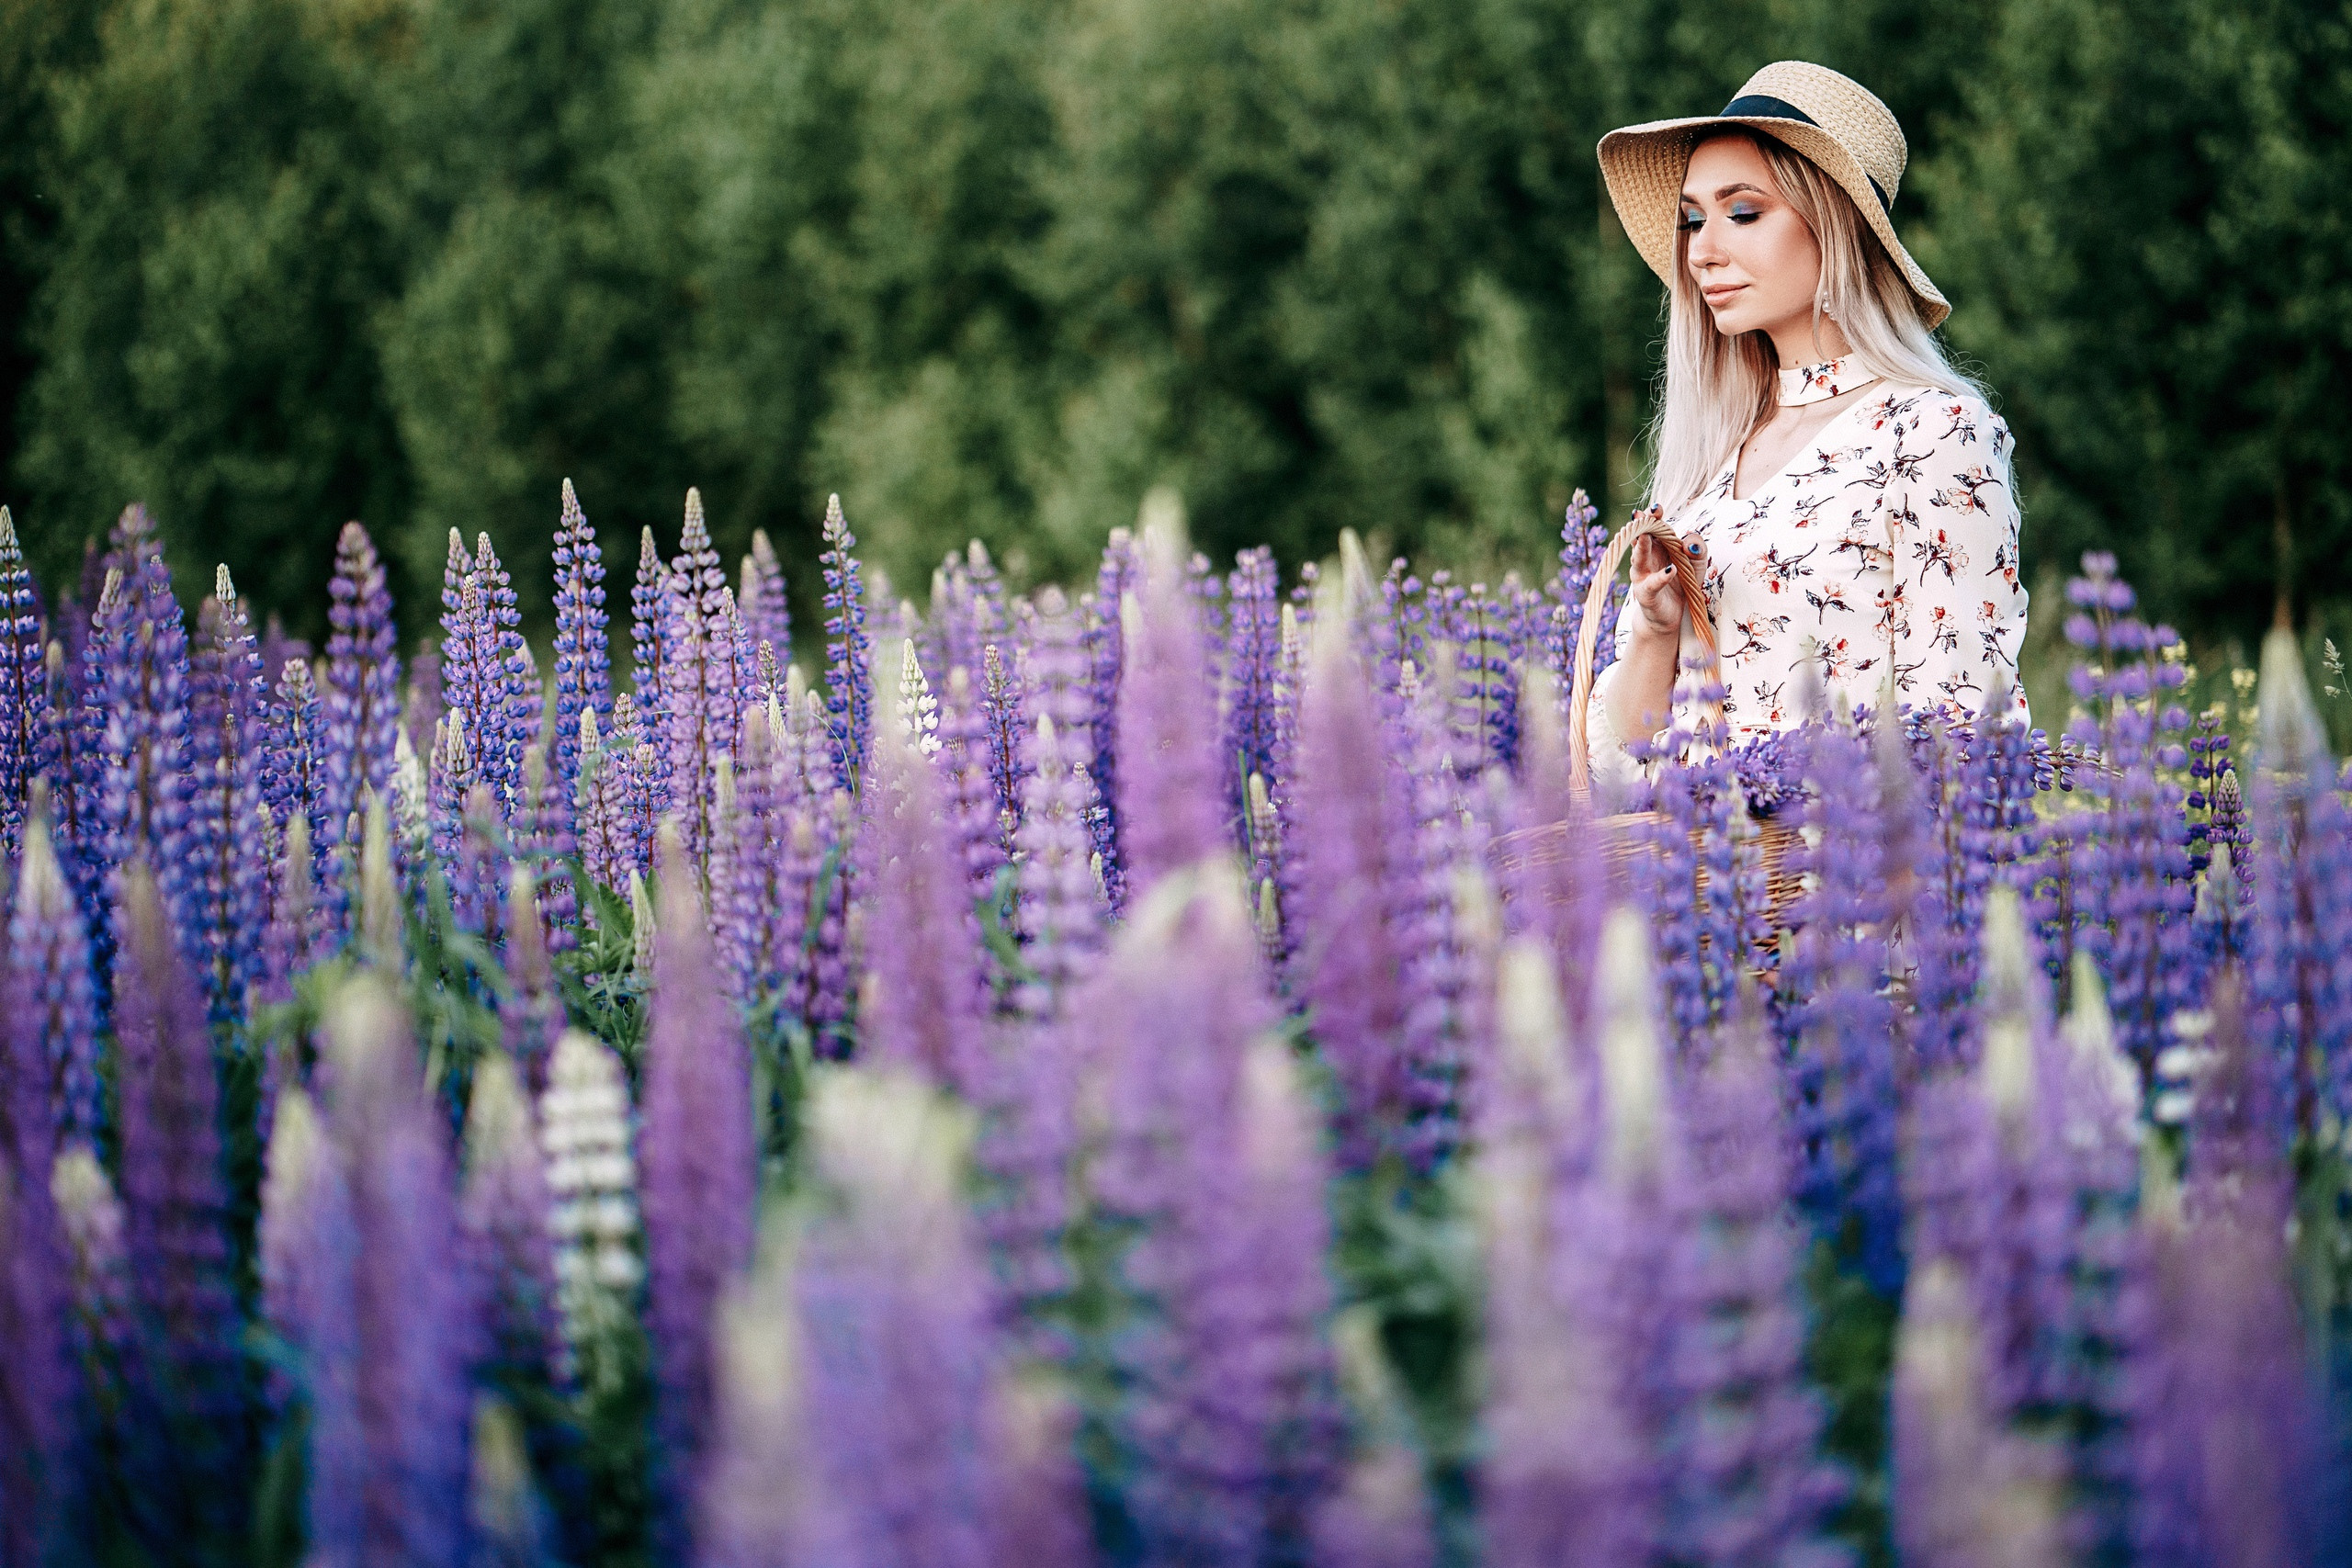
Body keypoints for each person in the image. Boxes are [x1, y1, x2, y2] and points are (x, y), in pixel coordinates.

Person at [1585, 61, 2029, 789]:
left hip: (1842, 889)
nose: (1701, 249)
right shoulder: (1712, 453)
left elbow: (1966, 739)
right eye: (1693, 219)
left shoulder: (1933, 434)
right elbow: (1626, 757)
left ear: (1834, 222)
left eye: (1743, 212)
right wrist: (1658, 634)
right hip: (1694, 892)